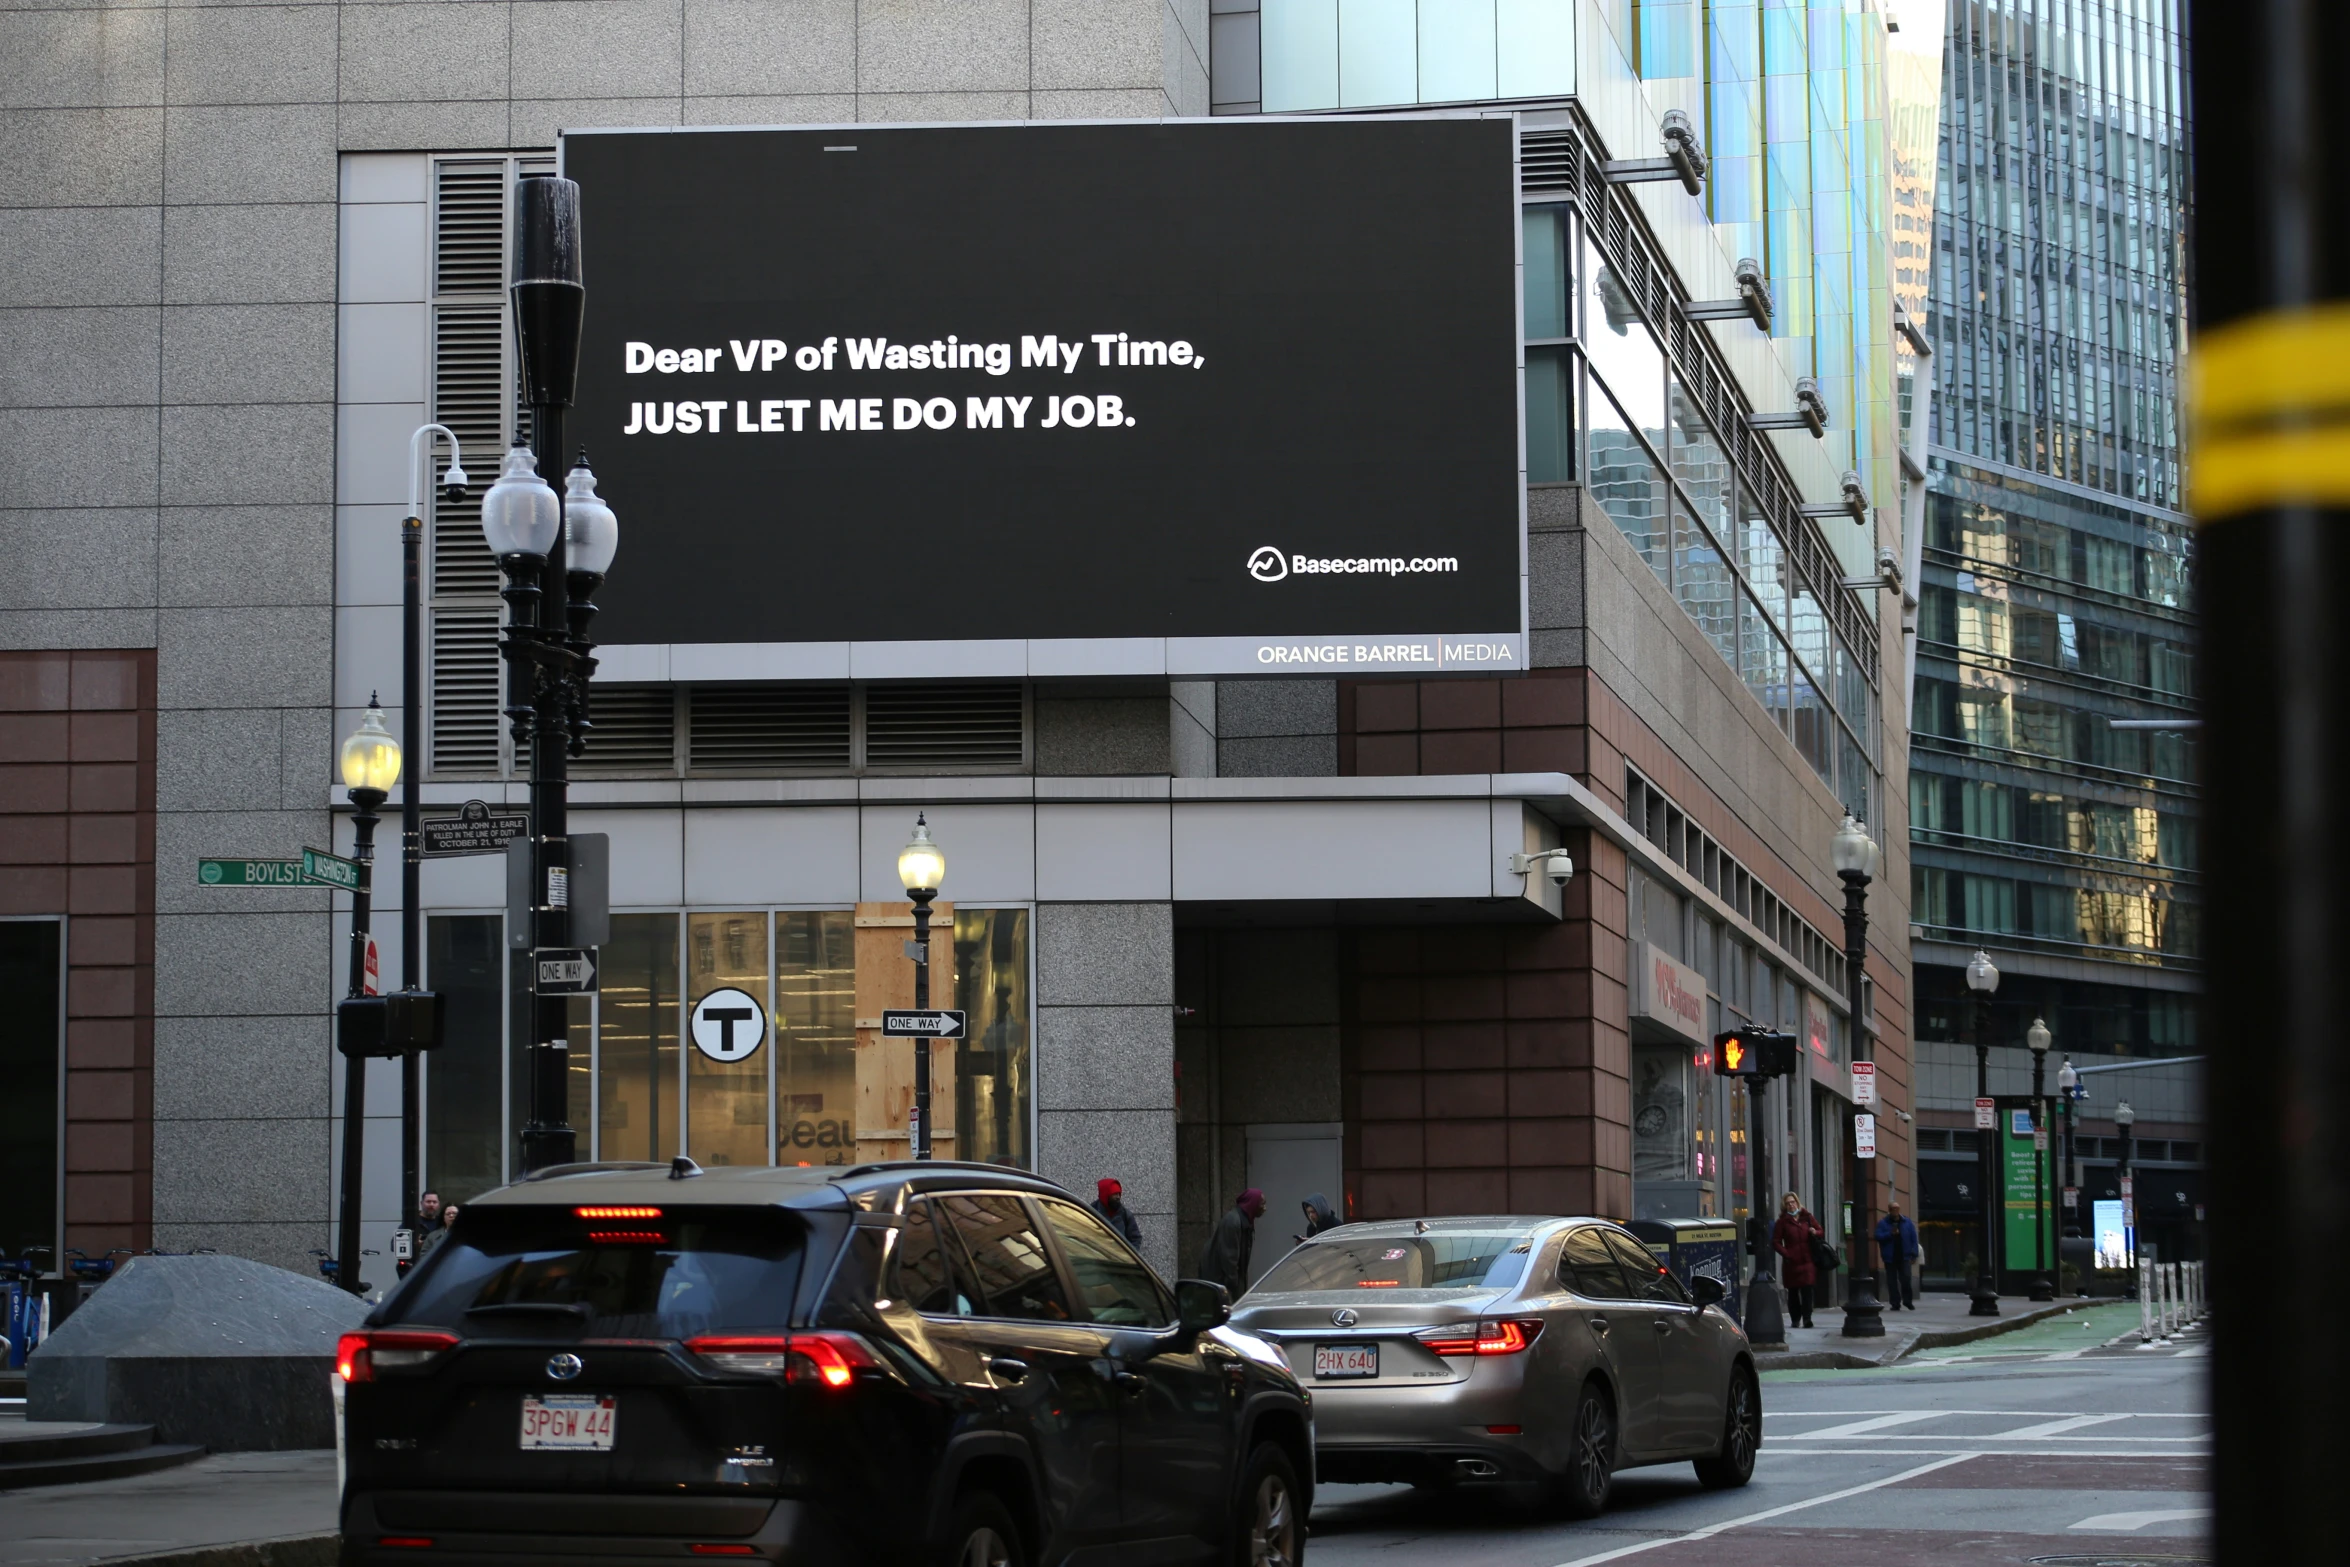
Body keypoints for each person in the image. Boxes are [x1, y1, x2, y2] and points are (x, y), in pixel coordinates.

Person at [1196, 1188, 1265, 1299]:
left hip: (1225, 1279)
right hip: (1217, 1279)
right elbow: (1229, 1259)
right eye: (1262, 1204)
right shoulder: (1232, 1222)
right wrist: (1233, 1288)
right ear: (1253, 1204)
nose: (1264, 1208)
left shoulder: (1245, 1222)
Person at [1771, 1192, 1824, 1328]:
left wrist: (1815, 1232)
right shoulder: (1782, 1222)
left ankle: (1807, 1318)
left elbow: (1820, 1231)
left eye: (1792, 1202)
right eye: (1788, 1203)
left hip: (1807, 1260)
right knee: (1793, 1293)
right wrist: (1787, 1254)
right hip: (1791, 1262)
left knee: (1807, 1291)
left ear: (1797, 1202)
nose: (1791, 1205)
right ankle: (1795, 1319)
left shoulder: (1807, 1217)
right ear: (1785, 1206)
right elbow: (1775, 1242)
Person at [1875, 1200, 1921, 1311]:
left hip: (1904, 1256)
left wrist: (1914, 1254)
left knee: (1906, 1279)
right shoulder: (1883, 1223)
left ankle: (1907, 1301)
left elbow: (1913, 1239)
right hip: (1890, 1257)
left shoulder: (1907, 1222)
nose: (1895, 1211)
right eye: (1893, 1209)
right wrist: (1890, 1234)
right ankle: (1895, 1303)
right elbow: (1878, 1236)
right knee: (1892, 1282)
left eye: (1897, 1208)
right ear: (1889, 1210)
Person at [1090, 1178, 1143, 1248]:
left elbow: (1135, 1238)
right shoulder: (1091, 1213)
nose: (1118, 1197)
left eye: (1119, 1194)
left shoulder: (1125, 1214)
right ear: (1105, 1195)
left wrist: (1127, 1257)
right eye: (1114, 1194)